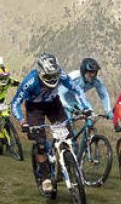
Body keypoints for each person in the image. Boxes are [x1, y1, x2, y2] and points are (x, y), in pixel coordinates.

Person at [10, 53, 92, 194]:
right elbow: (15, 103)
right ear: (41, 73)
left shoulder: (60, 74)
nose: (53, 79)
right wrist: (22, 121)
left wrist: (85, 107)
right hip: (35, 108)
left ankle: (67, 161)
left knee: (67, 136)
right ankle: (45, 177)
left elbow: (76, 89)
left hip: (54, 105)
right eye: (48, 77)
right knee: (40, 142)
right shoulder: (30, 81)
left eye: (54, 75)